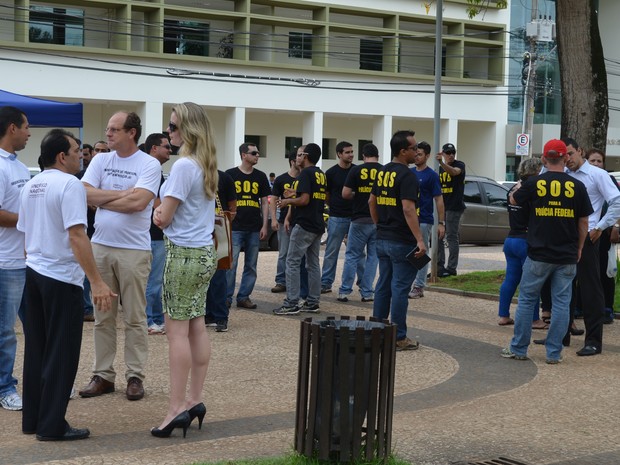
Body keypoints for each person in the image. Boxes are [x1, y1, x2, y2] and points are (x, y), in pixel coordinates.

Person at [17, 129, 115, 441]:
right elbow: (77, 235)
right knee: (61, 353)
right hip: (60, 278)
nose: (81, 155)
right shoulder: (70, 185)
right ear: (62, 156)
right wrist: (96, 282)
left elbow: (24, 234)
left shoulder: (30, 185)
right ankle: (52, 426)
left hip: (33, 273)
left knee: (37, 351)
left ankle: (33, 420)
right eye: (76, 151)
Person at [79, 111, 161, 401]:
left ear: (132, 133)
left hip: (134, 250)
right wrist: (122, 195)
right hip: (100, 246)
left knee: (136, 318)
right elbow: (84, 193)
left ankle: (135, 376)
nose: (108, 133)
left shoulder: (149, 164)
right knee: (103, 316)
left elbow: (139, 203)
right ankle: (103, 375)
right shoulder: (101, 160)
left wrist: (104, 198)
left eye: (115, 129)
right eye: (108, 129)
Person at [152, 102, 218, 438]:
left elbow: (165, 216)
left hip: (183, 254)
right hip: (204, 252)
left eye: (173, 127)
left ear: (188, 130)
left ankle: (176, 407)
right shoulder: (206, 164)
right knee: (196, 327)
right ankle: (194, 399)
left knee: (177, 333)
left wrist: (156, 213)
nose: (169, 132)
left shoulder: (182, 167)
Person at [502, 139, 592, 364]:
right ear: (566, 158)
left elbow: (513, 198)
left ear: (544, 159)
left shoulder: (534, 183)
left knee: (526, 300)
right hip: (566, 254)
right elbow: (583, 222)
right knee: (562, 303)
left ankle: (519, 348)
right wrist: (579, 247)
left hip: (538, 253)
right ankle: (554, 353)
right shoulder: (577, 186)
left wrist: (527, 185)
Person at [369, 130, 426, 351]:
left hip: (383, 237)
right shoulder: (407, 175)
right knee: (400, 288)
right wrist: (420, 239)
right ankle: (398, 336)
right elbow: (408, 208)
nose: (416, 152)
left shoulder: (383, 172)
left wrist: (378, 225)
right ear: (403, 151)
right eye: (413, 149)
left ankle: (377, 330)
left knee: (383, 284)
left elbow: (371, 201)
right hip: (402, 240)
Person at [564, 137, 620, 356]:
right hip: (565, 238)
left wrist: (602, 226)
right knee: (562, 287)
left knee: (590, 289)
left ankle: (593, 341)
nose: (567, 159)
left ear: (580, 151)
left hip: (588, 236)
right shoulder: (563, 174)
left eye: (570, 153)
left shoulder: (597, 174)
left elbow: (617, 200)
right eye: (563, 155)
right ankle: (562, 334)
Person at [0, 106, 30, 411]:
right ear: (12, 128)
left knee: (35, 327)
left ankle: (39, 380)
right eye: (26, 127)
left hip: (26, 261)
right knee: (5, 331)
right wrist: (29, 221)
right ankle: (4, 387)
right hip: (4, 262)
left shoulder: (20, 167)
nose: (29, 133)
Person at [273, 143, 326, 315]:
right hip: (317, 224)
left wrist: (288, 201)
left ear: (307, 156)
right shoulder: (320, 174)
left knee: (292, 261)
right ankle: (313, 302)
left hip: (305, 224)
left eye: (301, 154)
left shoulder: (306, 174)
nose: (298, 157)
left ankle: (291, 302)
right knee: (313, 264)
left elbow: (304, 200)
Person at [497, 157, 547, 329]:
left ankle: (503, 315)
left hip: (510, 239)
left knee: (510, 279)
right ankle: (534, 319)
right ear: (537, 170)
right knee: (531, 282)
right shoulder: (533, 188)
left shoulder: (513, 187)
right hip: (526, 240)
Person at [225, 143, 271, 309]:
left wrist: (265, 225)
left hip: (253, 227)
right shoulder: (230, 175)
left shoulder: (260, 176)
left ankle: (244, 296)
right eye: (254, 153)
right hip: (235, 227)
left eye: (258, 153)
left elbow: (265, 202)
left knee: (251, 265)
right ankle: (226, 297)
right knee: (231, 264)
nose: (257, 155)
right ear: (244, 155)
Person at [337, 142, 382, 302]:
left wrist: (359, 195)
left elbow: (345, 193)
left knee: (352, 255)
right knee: (373, 257)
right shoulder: (384, 170)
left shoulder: (356, 170)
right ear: (378, 156)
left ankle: (344, 291)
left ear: (363, 156)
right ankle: (367, 292)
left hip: (359, 219)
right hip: (378, 221)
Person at [585, 148, 619, 323]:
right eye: (593, 161)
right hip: (586, 231)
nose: (597, 164)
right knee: (585, 272)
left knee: (605, 271)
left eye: (599, 161)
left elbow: (617, 203)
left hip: (604, 231)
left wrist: (616, 226)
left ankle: (607, 308)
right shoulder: (584, 178)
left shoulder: (608, 178)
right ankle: (580, 306)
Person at [408, 141, 445, 299]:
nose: (416, 157)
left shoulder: (432, 176)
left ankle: (419, 286)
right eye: (415, 154)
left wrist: (441, 223)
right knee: (409, 251)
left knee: (421, 252)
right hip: (410, 219)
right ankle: (409, 282)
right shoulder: (409, 173)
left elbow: (439, 200)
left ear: (427, 156)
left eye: (420, 154)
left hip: (424, 219)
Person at [270, 147, 308, 296]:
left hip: (301, 221)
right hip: (284, 221)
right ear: (293, 161)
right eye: (299, 157)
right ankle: (281, 281)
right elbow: (273, 199)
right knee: (284, 253)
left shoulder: (304, 178)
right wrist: (273, 219)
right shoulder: (281, 179)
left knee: (300, 255)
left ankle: (297, 281)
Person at [144, 133, 172, 335]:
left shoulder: (153, 169)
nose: (170, 150)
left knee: (156, 280)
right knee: (154, 280)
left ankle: (153, 318)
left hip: (155, 233)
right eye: (166, 146)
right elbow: (154, 201)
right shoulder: (151, 169)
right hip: (154, 234)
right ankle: (149, 320)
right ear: (154, 148)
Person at [321, 141, 355, 294]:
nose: (351, 155)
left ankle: (363, 284)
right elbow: (326, 195)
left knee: (357, 254)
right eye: (347, 152)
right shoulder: (331, 173)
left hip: (355, 218)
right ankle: (326, 282)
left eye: (352, 152)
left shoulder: (357, 171)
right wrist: (334, 205)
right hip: (336, 216)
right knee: (331, 252)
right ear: (339, 154)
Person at [204, 169, 237, 333]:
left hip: (217, 230)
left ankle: (220, 316)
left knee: (218, 275)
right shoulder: (194, 173)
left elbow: (232, 208)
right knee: (204, 275)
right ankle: (209, 314)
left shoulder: (223, 177)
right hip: (201, 230)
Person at [436, 142, 465, 277]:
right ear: (443, 153)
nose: (451, 155)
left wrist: (441, 163)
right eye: (448, 153)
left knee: (451, 237)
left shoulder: (459, 165)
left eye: (453, 152)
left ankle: (451, 268)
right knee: (438, 236)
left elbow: (454, 172)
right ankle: (439, 266)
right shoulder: (439, 168)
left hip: (454, 206)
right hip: (442, 206)